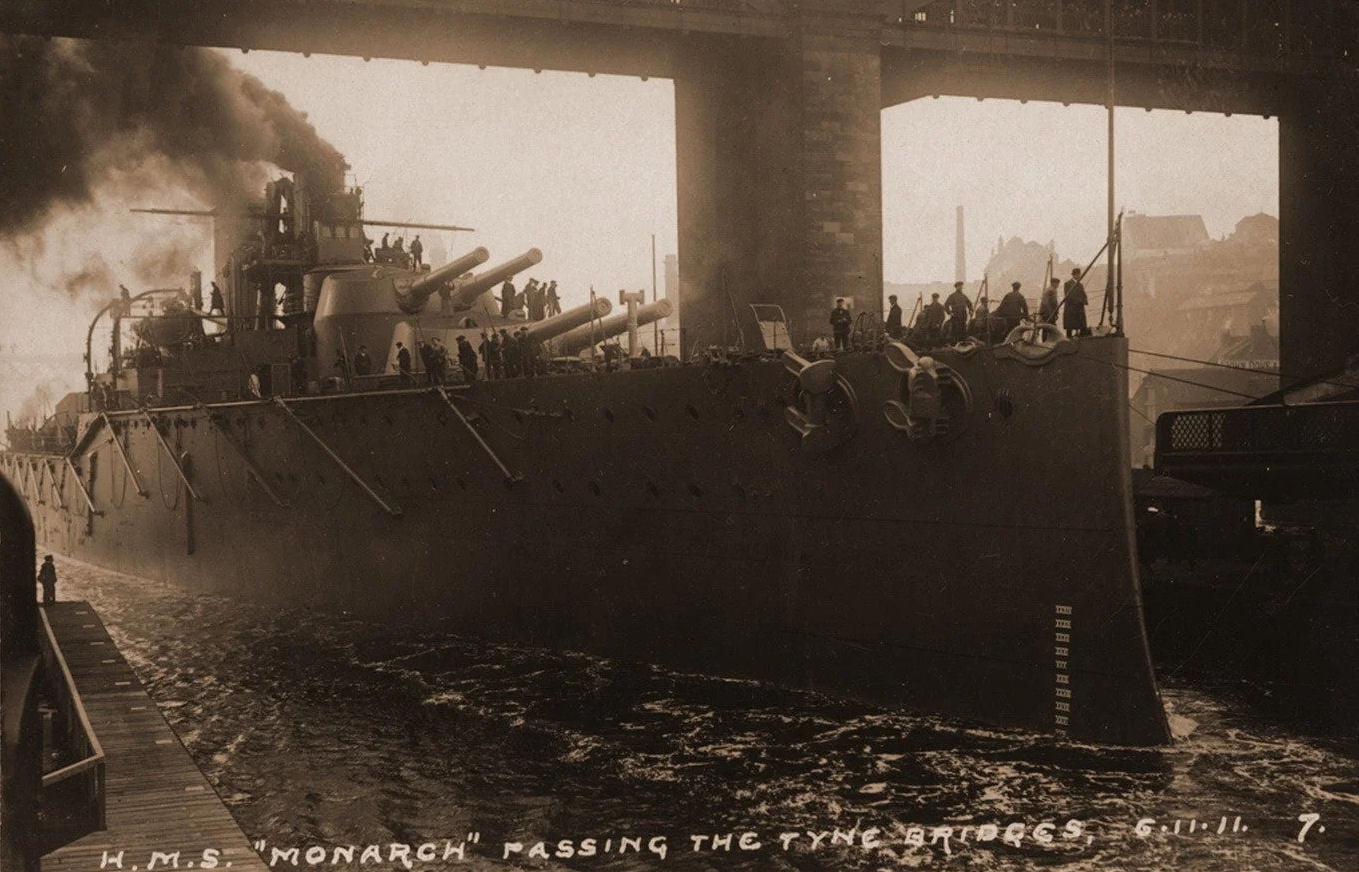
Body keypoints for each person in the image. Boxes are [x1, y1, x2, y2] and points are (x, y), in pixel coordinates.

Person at [907, 356, 941, 439]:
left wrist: (913, 372)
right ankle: (928, 433)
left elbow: (910, 387)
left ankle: (918, 433)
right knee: (929, 421)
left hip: (920, 401)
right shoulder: (934, 376)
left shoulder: (915, 373)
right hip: (930, 401)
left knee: (920, 421)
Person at [1063, 268, 1089, 338]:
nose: (1078, 276)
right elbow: (1068, 295)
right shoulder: (1067, 284)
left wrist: (1085, 301)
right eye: (1077, 274)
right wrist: (1079, 301)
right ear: (1074, 275)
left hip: (1079, 308)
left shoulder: (1080, 285)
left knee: (1081, 325)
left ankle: (1081, 338)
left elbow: (1084, 294)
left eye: (1079, 274)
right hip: (1071, 308)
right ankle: (1069, 339)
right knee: (1070, 326)